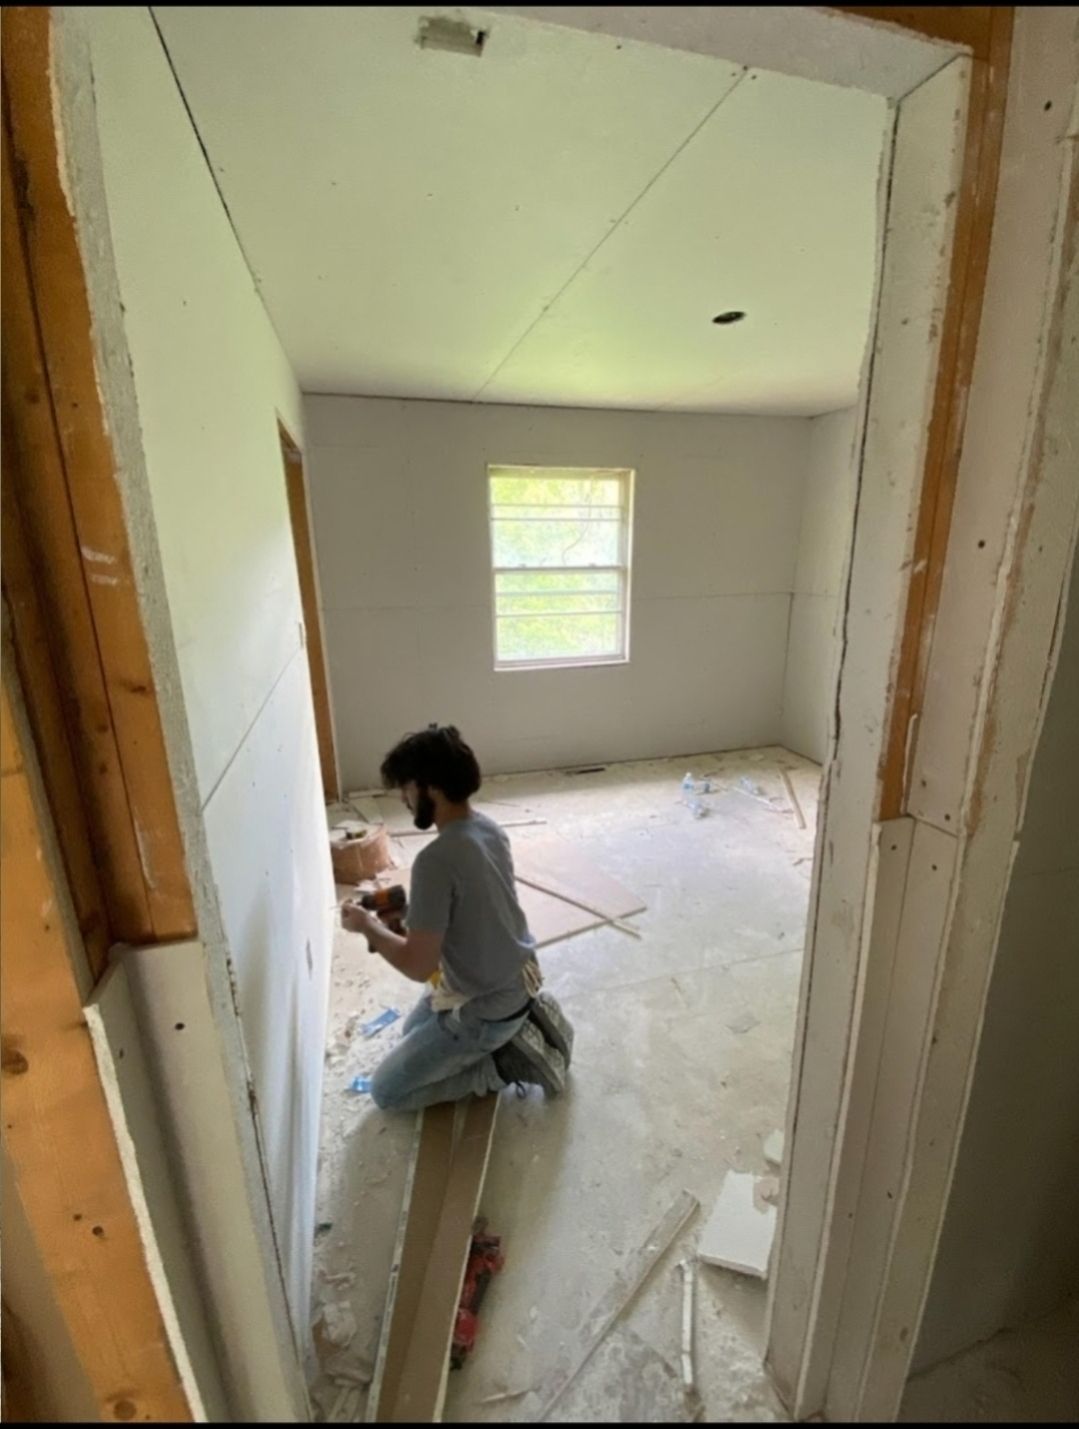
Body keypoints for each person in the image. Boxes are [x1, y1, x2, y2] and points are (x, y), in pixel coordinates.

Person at [341, 724, 574, 1112]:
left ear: (430, 788)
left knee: (387, 1092)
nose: (403, 799)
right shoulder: (488, 829)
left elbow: (419, 966)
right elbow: (473, 910)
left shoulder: (434, 861)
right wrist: (411, 914)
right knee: (410, 1030)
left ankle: (503, 1065)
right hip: (517, 973)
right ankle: (519, 1022)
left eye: (407, 788)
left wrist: (368, 926)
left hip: (489, 1005)